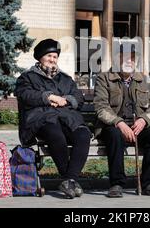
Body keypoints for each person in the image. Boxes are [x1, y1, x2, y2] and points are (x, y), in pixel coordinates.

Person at [15, 38, 91, 199]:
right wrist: (49, 97)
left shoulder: (65, 78)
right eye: (49, 56)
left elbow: (78, 97)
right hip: (41, 119)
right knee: (55, 134)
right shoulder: (27, 77)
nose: (52, 59)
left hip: (67, 118)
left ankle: (69, 180)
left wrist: (67, 100)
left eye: (55, 56)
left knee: (83, 135)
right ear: (40, 57)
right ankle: (69, 179)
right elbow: (25, 95)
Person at [93, 47, 150, 198]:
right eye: (124, 57)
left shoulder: (144, 81)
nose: (129, 61)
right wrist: (119, 122)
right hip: (113, 126)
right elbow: (101, 108)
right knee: (114, 135)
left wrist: (144, 120)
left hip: (138, 127)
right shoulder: (104, 78)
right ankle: (117, 184)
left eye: (132, 58)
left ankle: (148, 184)